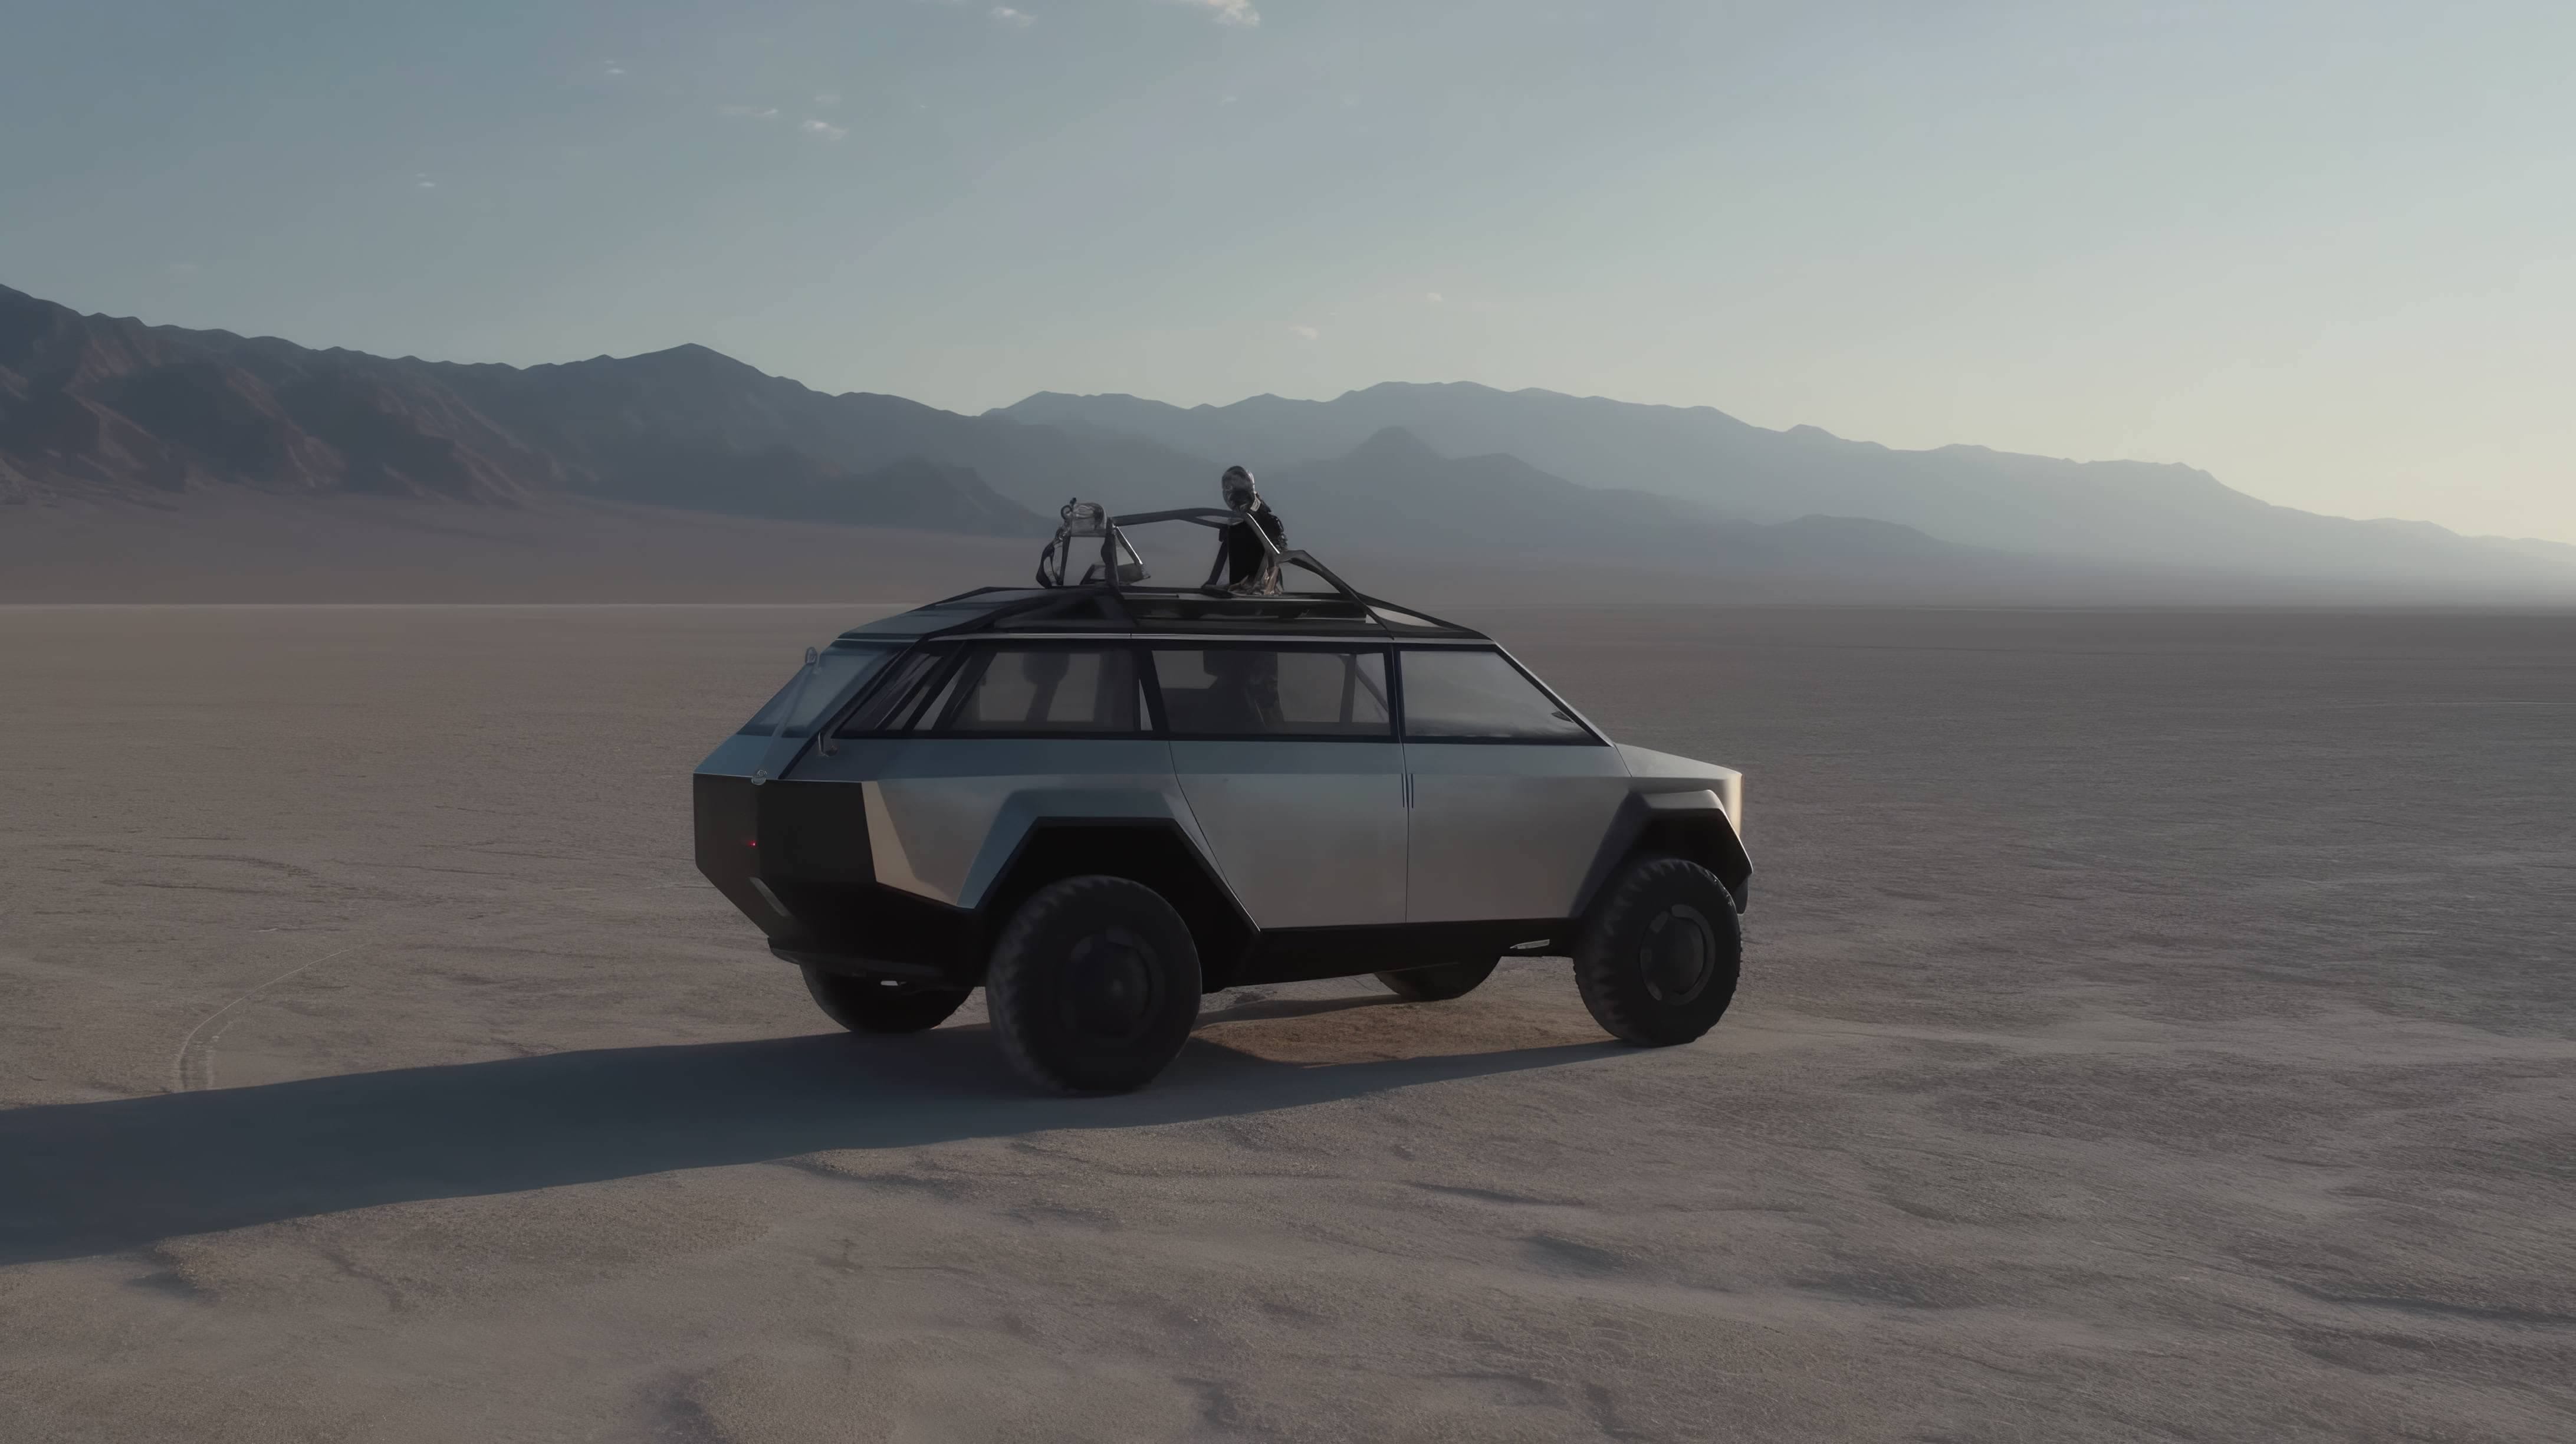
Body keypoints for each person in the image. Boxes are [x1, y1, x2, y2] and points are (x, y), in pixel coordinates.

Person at [1214, 465, 1286, 592]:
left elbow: (1276, 549)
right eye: (1225, 487)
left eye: (1230, 488)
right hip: (1241, 585)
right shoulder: (1238, 522)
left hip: (1260, 586)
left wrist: (1259, 582)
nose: (1227, 494)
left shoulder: (1258, 515)